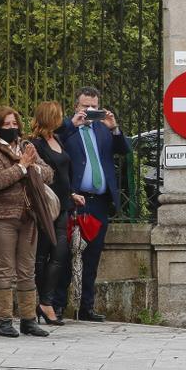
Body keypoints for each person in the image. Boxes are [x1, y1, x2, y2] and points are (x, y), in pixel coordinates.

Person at [56, 86, 130, 322]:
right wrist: (72, 124)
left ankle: (86, 306)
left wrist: (115, 128)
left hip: (99, 203)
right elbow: (52, 143)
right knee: (65, 254)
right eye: (84, 106)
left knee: (92, 256)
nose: (89, 110)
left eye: (94, 106)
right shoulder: (68, 129)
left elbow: (125, 151)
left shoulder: (103, 129)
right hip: (75, 200)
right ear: (76, 106)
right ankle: (57, 304)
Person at [0, 106, 54, 338]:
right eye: (7, 125)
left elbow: (49, 173)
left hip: (28, 216)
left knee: (27, 269)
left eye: (15, 124)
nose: (13, 128)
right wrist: (22, 166)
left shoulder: (25, 146)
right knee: (5, 269)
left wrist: (31, 166)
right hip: (2, 217)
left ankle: (28, 319)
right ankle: (4, 320)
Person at [30, 101, 81, 325]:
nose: (62, 119)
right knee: (42, 255)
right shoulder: (36, 144)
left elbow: (63, 173)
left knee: (60, 253)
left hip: (63, 205)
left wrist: (71, 194)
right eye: (59, 116)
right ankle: (42, 301)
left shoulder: (57, 139)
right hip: (46, 206)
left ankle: (46, 301)